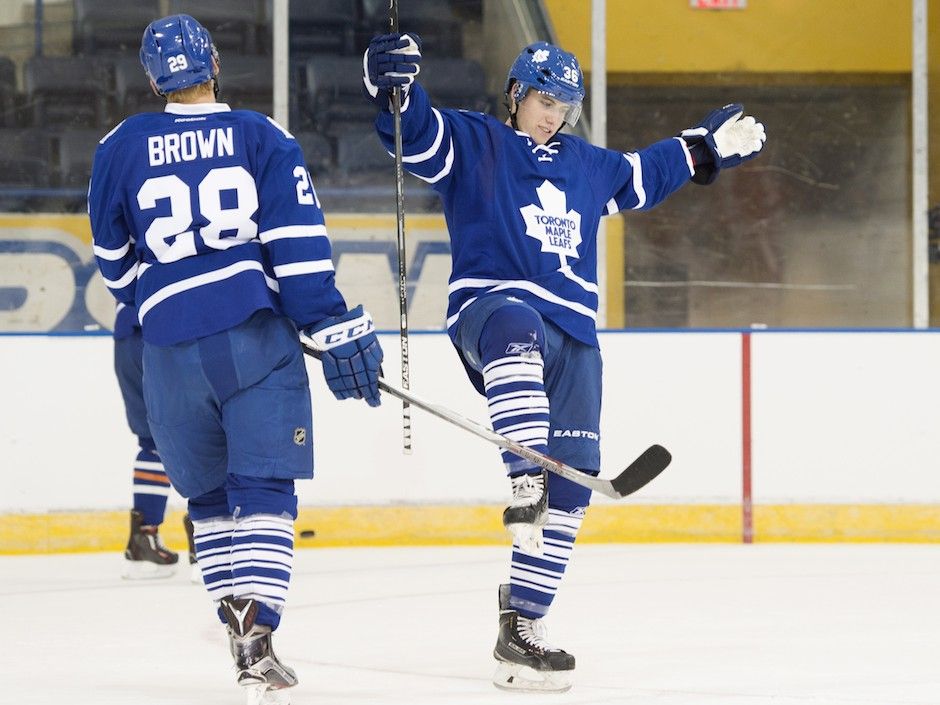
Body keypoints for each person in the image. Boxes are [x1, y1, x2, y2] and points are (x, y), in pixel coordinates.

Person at [362, 34, 765, 692]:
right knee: (520, 331)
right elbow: (417, 134)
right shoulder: (476, 142)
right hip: (495, 309)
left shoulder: (585, 165)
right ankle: (525, 481)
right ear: (516, 94)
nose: (554, 116)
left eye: (566, 106)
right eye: (545, 100)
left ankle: (522, 627)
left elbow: (645, 172)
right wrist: (394, 89)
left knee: (575, 485)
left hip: (575, 333)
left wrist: (704, 149)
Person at [89, 15, 383, 704]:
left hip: (164, 350)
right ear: (214, 64)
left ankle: (236, 632)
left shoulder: (118, 145)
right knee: (266, 489)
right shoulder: (260, 135)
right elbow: (298, 244)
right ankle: (260, 640)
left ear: (155, 77)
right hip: (250, 335)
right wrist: (324, 318)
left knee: (211, 499)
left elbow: (113, 260)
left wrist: (164, 303)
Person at [114, 300, 201, 582]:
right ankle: (209, 542)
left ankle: (143, 541)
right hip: (171, 333)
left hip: (128, 337)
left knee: (152, 442)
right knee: (205, 434)